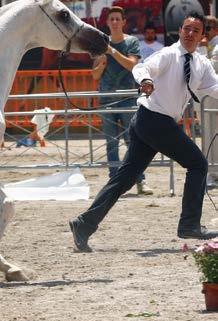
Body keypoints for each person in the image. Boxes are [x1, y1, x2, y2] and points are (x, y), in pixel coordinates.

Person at [70, 13, 218, 252]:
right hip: (153, 120)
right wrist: (146, 81)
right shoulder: (169, 54)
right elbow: (141, 67)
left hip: (150, 122)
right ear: (180, 31)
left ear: (203, 36)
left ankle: (83, 224)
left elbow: (214, 88)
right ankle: (189, 224)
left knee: (124, 179)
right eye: (187, 29)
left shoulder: (201, 64)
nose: (190, 34)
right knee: (198, 164)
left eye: (196, 30)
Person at [92, 6, 153, 195]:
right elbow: (95, 75)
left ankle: (139, 180)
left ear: (124, 22)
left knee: (132, 142)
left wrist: (111, 52)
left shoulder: (132, 42)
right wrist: (101, 63)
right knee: (111, 143)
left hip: (128, 98)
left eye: (118, 19)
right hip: (107, 99)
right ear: (108, 23)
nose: (115, 22)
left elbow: (132, 65)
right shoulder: (100, 43)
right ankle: (114, 182)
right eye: (112, 19)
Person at [201, 16, 218, 187]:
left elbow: (210, 69)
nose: (204, 31)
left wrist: (203, 49)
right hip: (208, 99)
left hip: (213, 100)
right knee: (209, 135)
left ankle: (212, 174)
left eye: (208, 27)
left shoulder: (216, 46)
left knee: (210, 136)